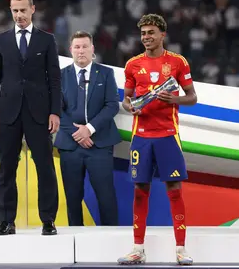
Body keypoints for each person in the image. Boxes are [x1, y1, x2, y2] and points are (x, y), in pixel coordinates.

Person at [117, 14, 197, 265]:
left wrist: (176, 100)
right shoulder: (132, 65)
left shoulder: (177, 62)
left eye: (151, 32)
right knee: (141, 191)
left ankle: (181, 249)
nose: (146, 37)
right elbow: (126, 99)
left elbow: (192, 96)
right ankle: (137, 248)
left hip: (168, 136)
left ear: (163, 34)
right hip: (141, 137)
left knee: (174, 190)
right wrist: (130, 107)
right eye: (143, 33)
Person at [0, 0, 61, 236]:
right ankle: (7, 221)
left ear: (32, 9)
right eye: (14, 10)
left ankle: (48, 220)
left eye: (22, 10)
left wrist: (55, 112)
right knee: (6, 168)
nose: (18, 15)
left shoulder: (47, 40)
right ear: (11, 11)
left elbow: (55, 81)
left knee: (45, 167)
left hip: (39, 114)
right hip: (7, 113)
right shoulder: (1, 40)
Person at [54, 31, 121, 226]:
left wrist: (89, 129)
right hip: (70, 146)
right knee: (73, 198)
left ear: (92, 49)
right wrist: (78, 134)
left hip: (100, 145)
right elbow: (56, 108)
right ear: (71, 50)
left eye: (85, 46)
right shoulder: (60, 75)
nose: (81, 51)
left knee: (106, 197)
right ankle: (76, 239)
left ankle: (111, 239)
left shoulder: (106, 73)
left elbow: (112, 105)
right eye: (77, 47)